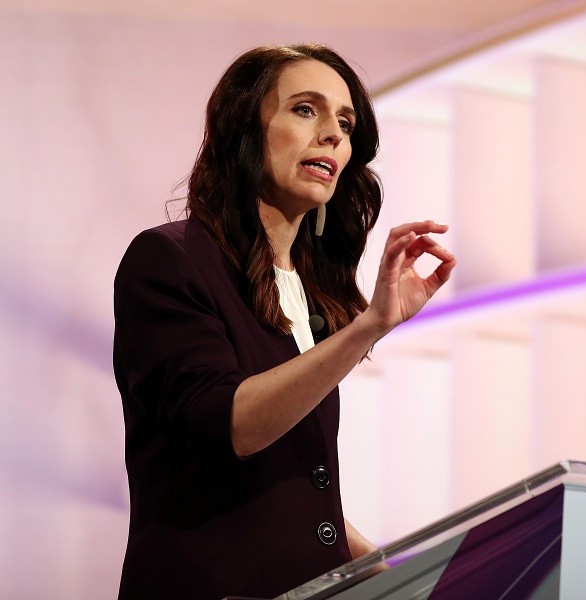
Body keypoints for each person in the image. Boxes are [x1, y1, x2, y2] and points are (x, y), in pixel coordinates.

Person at [112, 44, 456, 600]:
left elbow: (296, 496)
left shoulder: (308, 291)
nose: (333, 135)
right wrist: (369, 326)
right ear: (245, 129)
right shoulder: (170, 260)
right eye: (305, 109)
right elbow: (233, 426)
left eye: (346, 123)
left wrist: (403, 576)